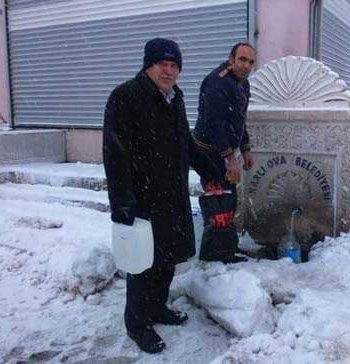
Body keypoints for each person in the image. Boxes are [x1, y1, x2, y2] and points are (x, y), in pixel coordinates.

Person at [103, 38, 220, 354]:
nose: (169, 71)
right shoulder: (125, 97)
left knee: (166, 259)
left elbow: (187, 144)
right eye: (162, 64)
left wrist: (209, 171)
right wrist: (123, 204)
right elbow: (115, 155)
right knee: (142, 265)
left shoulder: (174, 98)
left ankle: (157, 308)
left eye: (174, 66)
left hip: (172, 195)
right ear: (148, 65)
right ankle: (137, 324)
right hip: (141, 200)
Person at [193, 42, 257, 263]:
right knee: (218, 201)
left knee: (229, 199)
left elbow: (239, 121)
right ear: (231, 59)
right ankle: (212, 258)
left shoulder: (243, 84)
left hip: (224, 152)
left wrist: (245, 148)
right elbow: (214, 125)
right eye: (242, 59)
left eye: (251, 62)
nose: (247, 65)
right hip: (209, 154)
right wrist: (230, 158)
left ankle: (226, 251)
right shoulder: (216, 83)